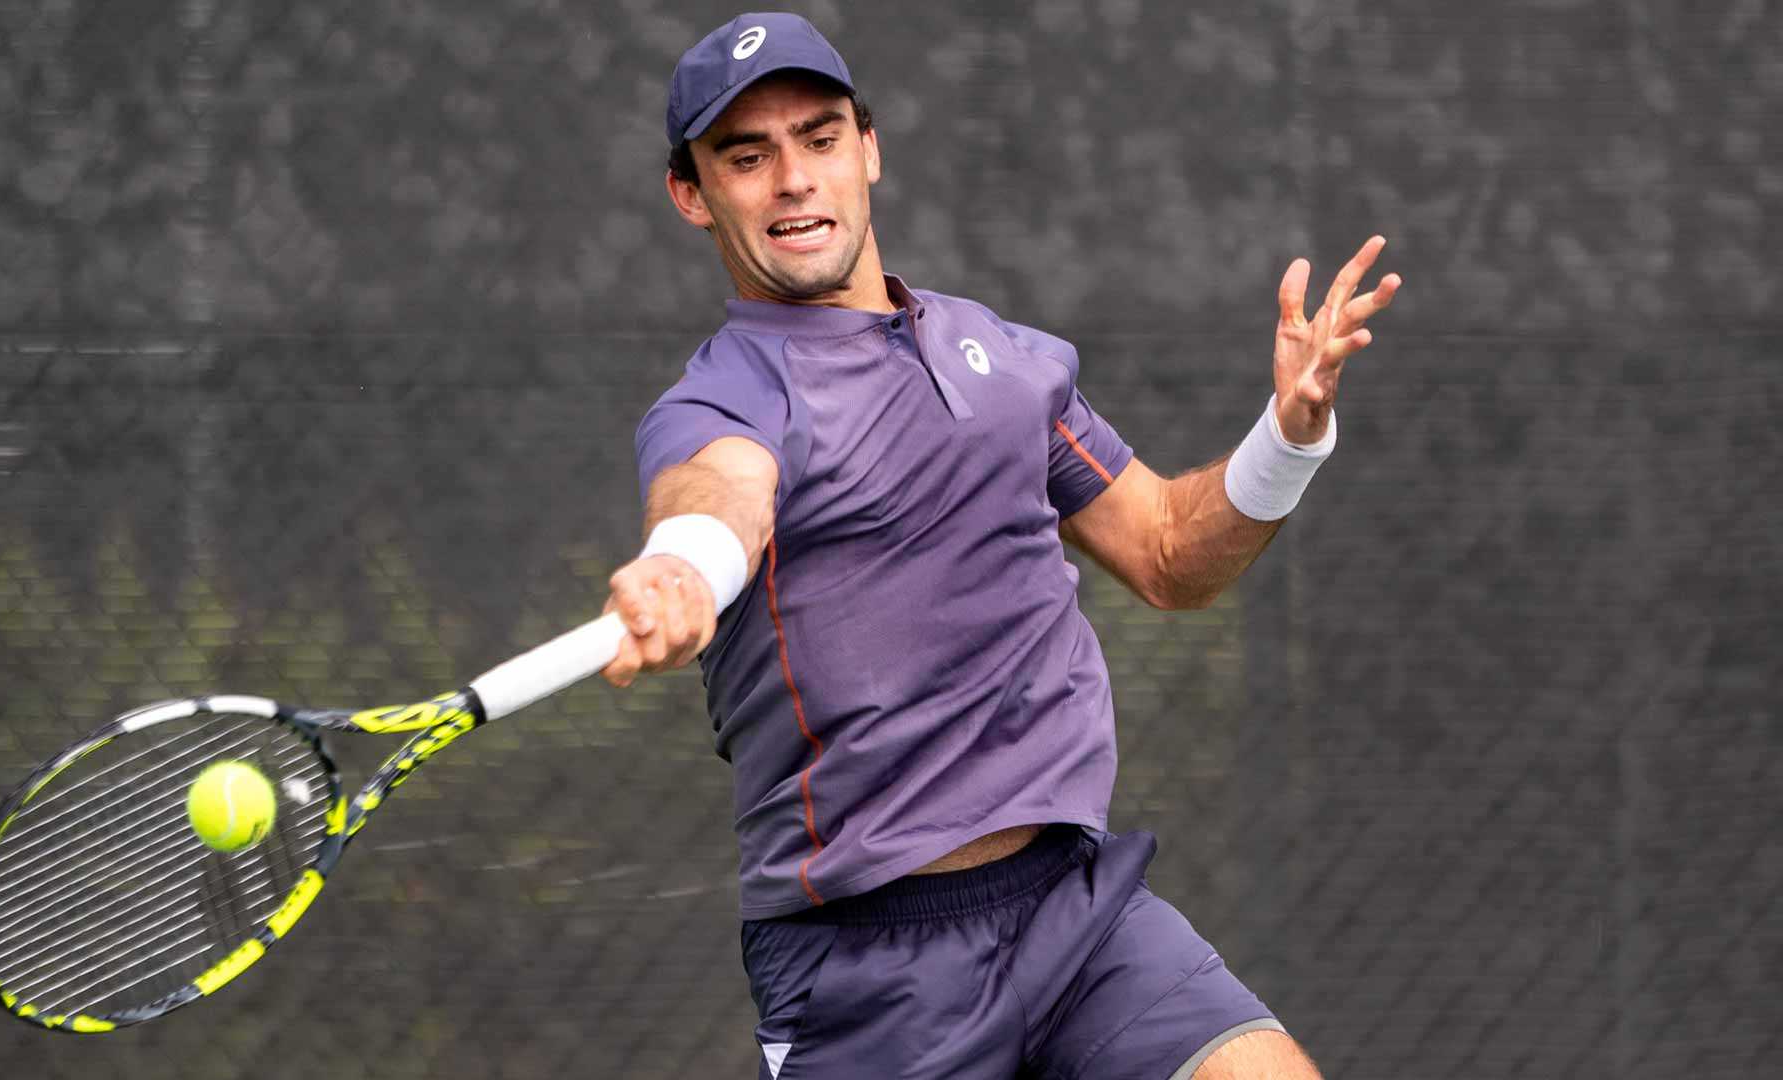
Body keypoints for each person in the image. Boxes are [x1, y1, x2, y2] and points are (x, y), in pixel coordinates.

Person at [599, 13, 1400, 1079]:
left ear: (868, 149)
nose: (793, 178)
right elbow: (719, 490)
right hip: (862, 966)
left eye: (819, 137)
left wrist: (1289, 436)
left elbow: (1169, 554)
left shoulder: (1008, 362)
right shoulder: (729, 393)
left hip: (1077, 913)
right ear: (692, 194)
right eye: (747, 156)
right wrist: (687, 564)